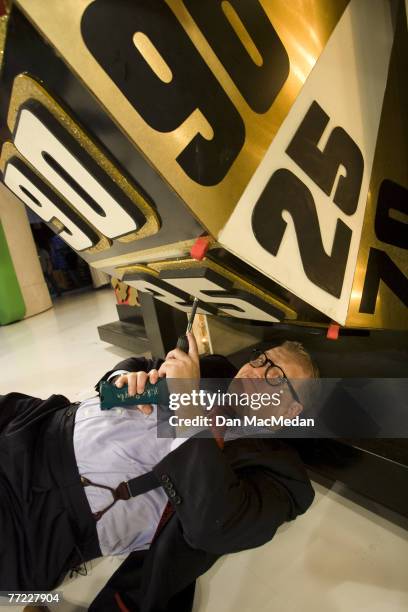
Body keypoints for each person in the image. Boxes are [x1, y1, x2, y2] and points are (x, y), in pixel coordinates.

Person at [0, 334, 317, 612]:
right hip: (30, 424)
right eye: (260, 359)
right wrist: (122, 377)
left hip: (34, 518)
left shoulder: (283, 476)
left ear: (292, 411)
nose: (256, 371)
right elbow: (145, 361)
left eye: (276, 377)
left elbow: (217, 525)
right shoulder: (216, 371)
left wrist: (187, 401)